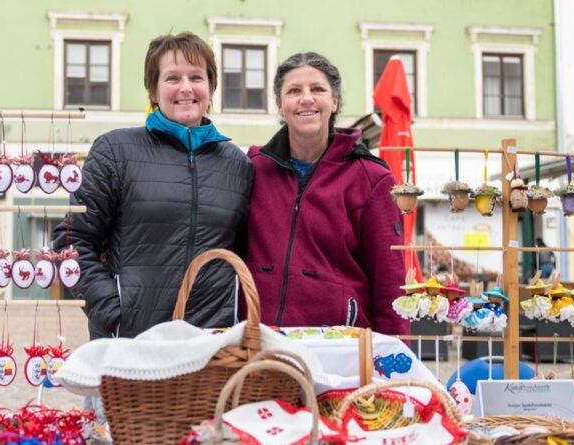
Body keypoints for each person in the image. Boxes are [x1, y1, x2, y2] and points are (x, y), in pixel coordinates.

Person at [55, 32, 253, 339]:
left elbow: (241, 252)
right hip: (132, 340)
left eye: (196, 77)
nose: (186, 88)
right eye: (172, 78)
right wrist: (112, 312)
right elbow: (72, 241)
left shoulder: (237, 165)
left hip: (211, 341)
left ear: (211, 87)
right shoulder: (115, 150)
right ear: (153, 89)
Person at [244, 52, 408, 335]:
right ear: (280, 105)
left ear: (334, 101)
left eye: (317, 89)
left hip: (338, 346)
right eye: (294, 91)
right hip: (260, 339)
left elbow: (390, 284)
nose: (306, 98)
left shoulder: (372, 178)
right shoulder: (254, 169)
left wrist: (395, 360)